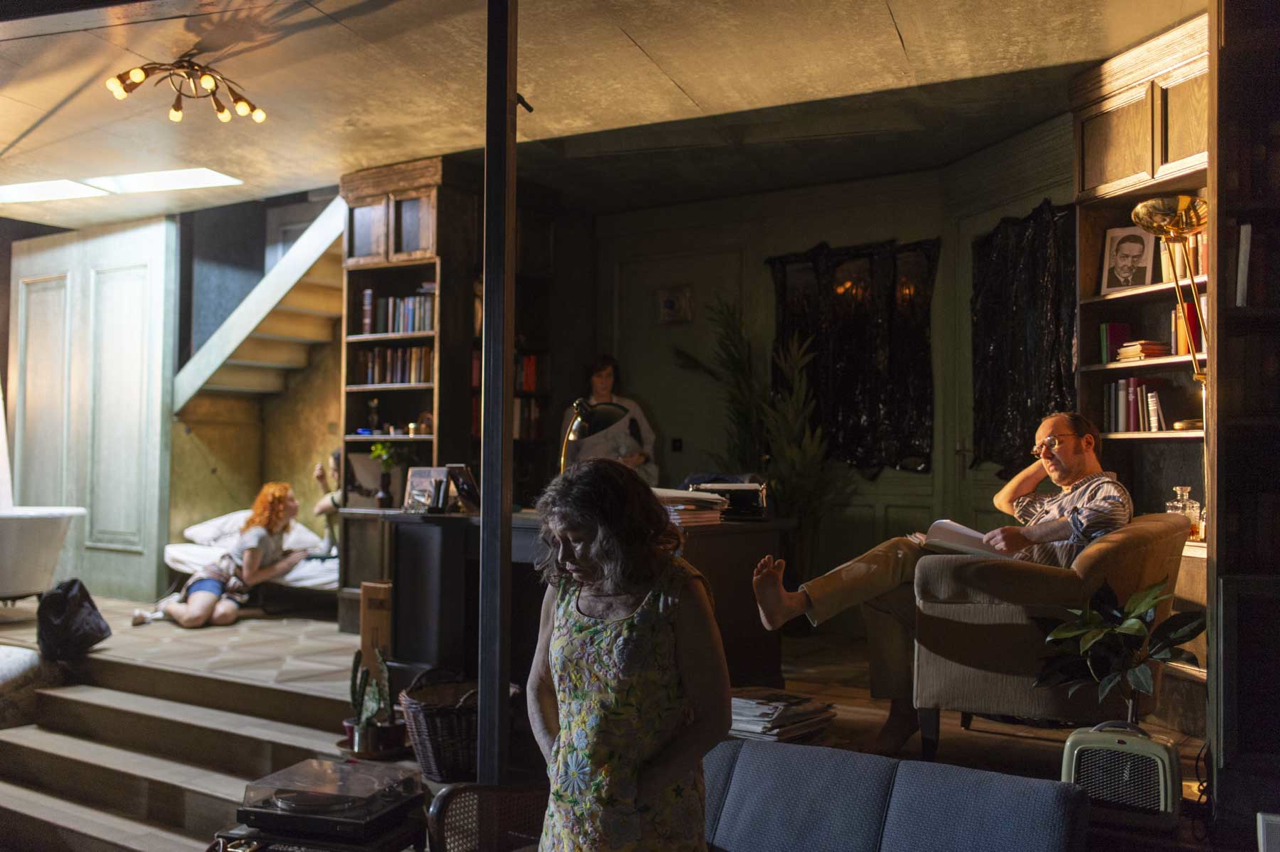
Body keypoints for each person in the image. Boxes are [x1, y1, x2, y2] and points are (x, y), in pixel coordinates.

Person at [752, 412, 1132, 755]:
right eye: (1038, 448)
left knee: (903, 551)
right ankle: (902, 714)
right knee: (883, 593)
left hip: (1025, 600)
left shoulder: (1104, 490)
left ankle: (796, 604)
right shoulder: (1055, 500)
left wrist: (1028, 535)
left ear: (1087, 442)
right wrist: (1049, 455)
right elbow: (1005, 498)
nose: (1044, 454)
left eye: (1053, 442)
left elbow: (1110, 513)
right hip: (1001, 587)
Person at [528, 458, 731, 851]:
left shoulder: (678, 593)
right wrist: (558, 765)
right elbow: (539, 687)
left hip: (653, 816)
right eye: (557, 541)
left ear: (617, 532)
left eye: (577, 539)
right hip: (570, 813)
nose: (564, 558)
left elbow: (715, 718)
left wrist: (636, 791)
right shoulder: (563, 587)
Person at [135, 483, 307, 629]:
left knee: (222, 616)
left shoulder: (277, 533)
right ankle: (168, 606)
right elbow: (250, 577)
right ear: (278, 506)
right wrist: (287, 563)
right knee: (194, 618)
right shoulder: (258, 535)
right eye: (291, 500)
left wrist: (286, 554)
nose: (297, 503)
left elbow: (264, 558)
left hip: (236, 588)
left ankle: (203, 606)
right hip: (218, 576)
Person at [561, 354, 659, 485]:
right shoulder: (576, 413)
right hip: (587, 478)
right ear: (590, 379)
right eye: (599, 376)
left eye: (608, 376)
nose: (604, 381)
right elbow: (567, 455)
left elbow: (649, 438)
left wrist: (641, 458)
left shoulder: (629, 407)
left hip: (620, 476)